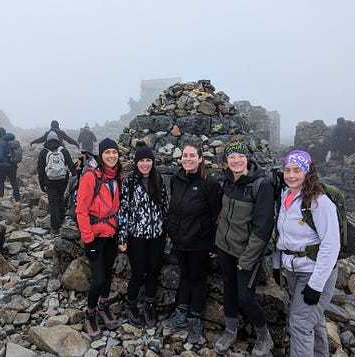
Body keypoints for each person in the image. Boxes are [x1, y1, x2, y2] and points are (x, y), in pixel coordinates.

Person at [212, 137, 275, 356]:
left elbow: (262, 228)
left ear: (248, 158)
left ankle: (264, 336)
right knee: (229, 290)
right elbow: (222, 217)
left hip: (246, 254)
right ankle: (230, 331)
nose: (236, 160)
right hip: (224, 248)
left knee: (245, 297)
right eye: (232, 156)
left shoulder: (261, 186)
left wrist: (247, 258)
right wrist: (215, 244)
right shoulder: (227, 181)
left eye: (241, 155)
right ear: (226, 160)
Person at [273, 150, 339, 356]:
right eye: (287, 170)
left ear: (308, 172)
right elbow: (281, 236)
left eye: (297, 170)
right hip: (293, 271)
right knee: (314, 320)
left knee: (300, 324)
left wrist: (316, 285)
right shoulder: (285, 195)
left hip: (314, 273)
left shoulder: (319, 202)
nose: (291, 175)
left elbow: (331, 245)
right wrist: (277, 265)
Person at [161, 143, 220, 344]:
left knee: (198, 279)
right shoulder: (176, 180)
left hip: (200, 242)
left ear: (200, 159)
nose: (187, 159)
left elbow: (215, 217)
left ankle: (195, 319)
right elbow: (173, 210)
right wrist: (172, 235)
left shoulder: (209, 184)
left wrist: (214, 245)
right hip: (180, 241)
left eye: (192, 155)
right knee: (184, 276)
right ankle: (181, 312)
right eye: (185, 155)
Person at [117, 142, 169, 328]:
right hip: (136, 236)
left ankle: (149, 305)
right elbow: (123, 212)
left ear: (153, 162)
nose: (145, 164)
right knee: (138, 273)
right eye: (142, 160)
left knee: (153, 272)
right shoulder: (129, 182)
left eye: (148, 160)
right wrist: (122, 238)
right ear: (136, 162)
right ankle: (131, 305)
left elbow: (164, 206)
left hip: (157, 236)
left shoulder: (159, 179)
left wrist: (167, 232)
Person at [76, 137, 122, 339]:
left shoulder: (117, 176)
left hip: (111, 234)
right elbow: (81, 210)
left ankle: (104, 305)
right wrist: (88, 240)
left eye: (114, 152)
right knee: (98, 279)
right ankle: (91, 313)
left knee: (108, 273)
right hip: (95, 236)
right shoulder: (90, 177)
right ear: (101, 155)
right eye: (107, 153)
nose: (111, 156)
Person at [37, 131, 77, 235]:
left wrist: (42, 184)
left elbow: (40, 169)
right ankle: (62, 218)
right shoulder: (63, 150)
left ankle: (55, 227)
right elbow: (71, 165)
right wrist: (76, 177)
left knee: (52, 201)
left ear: (47, 140)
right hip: (63, 179)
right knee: (60, 197)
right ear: (58, 139)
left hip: (49, 180)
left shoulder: (43, 152)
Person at [0, 127, 21, 205]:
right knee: (14, 182)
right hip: (13, 165)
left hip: (3, 166)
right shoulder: (12, 141)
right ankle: (17, 200)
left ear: (1, 134)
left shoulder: (0, 142)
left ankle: (0, 199)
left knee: (1, 182)